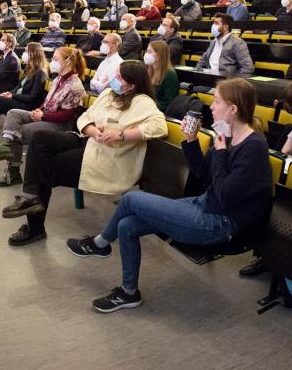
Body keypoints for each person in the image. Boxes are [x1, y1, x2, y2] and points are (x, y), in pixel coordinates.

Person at [66, 78, 271, 312]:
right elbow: (204, 175)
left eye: (216, 102)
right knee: (126, 226)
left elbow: (226, 195)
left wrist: (221, 153)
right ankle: (128, 293)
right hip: (205, 204)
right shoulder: (226, 136)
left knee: (131, 198)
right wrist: (192, 141)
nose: (211, 107)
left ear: (233, 109)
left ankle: (100, 243)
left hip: (221, 223)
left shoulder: (253, 147)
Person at [2, 61, 168, 246]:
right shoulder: (108, 94)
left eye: (120, 77)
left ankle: (34, 226)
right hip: (89, 140)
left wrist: (121, 135)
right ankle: (30, 197)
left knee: (45, 163)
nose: (114, 79)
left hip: (108, 156)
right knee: (40, 140)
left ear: (133, 84)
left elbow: (159, 126)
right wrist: (92, 130)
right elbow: (85, 117)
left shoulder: (143, 102)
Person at [0, 47, 87, 185]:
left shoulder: (75, 85)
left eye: (56, 59)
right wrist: (37, 111)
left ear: (68, 62)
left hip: (60, 125)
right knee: (13, 113)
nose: (52, 62)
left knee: (16, 133)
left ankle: (12, 172)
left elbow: (67, 115)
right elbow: (47, 103)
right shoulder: (58, 79)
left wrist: (43, 116)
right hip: (46, 116)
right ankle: (5, 145)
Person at [145, 40, 180, 112]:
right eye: (147, 51)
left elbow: (168, 102)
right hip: (147, 107)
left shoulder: (170, 75)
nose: (146, 55)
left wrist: (150, 109)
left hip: (157, 111)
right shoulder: (148, 71)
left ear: (159, 54)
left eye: (150, 52)